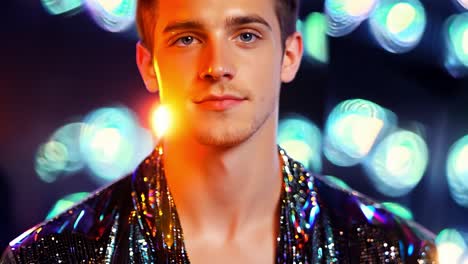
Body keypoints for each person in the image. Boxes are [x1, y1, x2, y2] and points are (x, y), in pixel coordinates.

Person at [1, 0, 438, 263]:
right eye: (187, 39)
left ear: (289, 56)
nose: (217, 67)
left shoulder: (395, 252)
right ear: (147, 66)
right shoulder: (52, 257)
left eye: (246, 35)